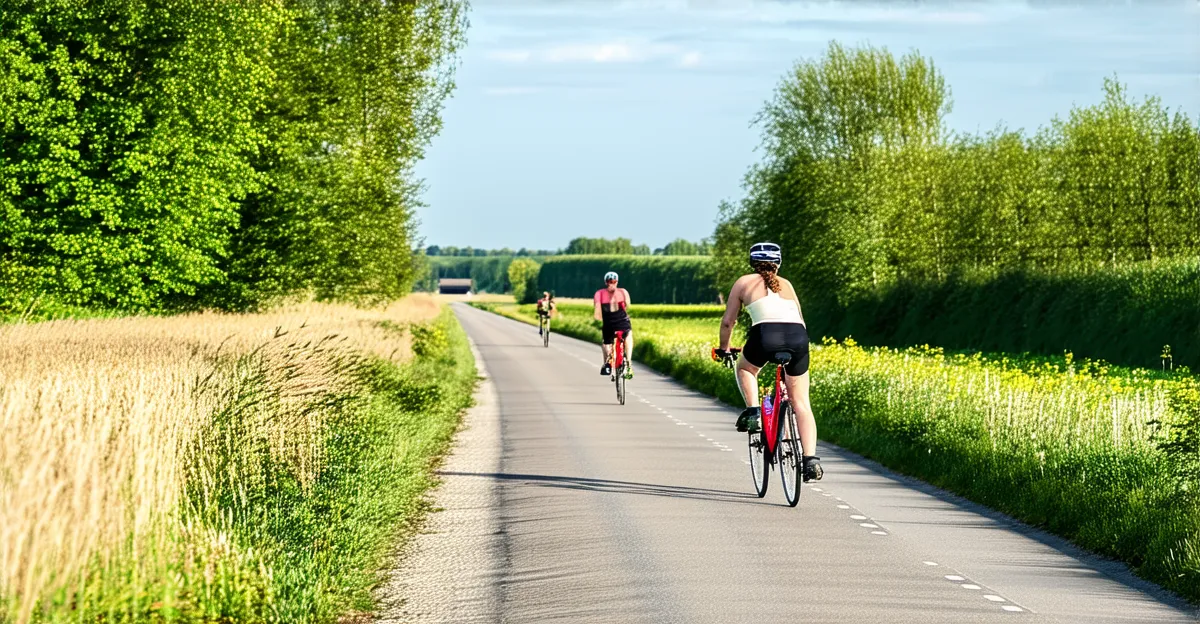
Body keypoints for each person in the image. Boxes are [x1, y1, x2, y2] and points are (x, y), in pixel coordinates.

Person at [717, 242, 822, 482]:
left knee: (745, 367)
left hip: (765, 335)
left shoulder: (743, 282)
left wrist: (725, 348)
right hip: (798, 339)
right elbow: (801, 318)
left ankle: (754, 411)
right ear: (778, 263)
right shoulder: (787, 284)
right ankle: (810, 460)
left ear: (752, 263)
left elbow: (728, 322)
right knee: (801, 403)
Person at [593, 271, 633, 378]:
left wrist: (597, 320)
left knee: (606, 343)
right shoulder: (623, 292)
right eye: (612, 282)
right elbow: (628, 305)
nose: (612, 284)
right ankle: (628, 363)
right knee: (628, 336)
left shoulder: (599, 293)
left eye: (612, 282)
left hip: (608, 323)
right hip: (623, 322)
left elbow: (597, 311)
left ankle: (607, 364)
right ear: (617, 282)